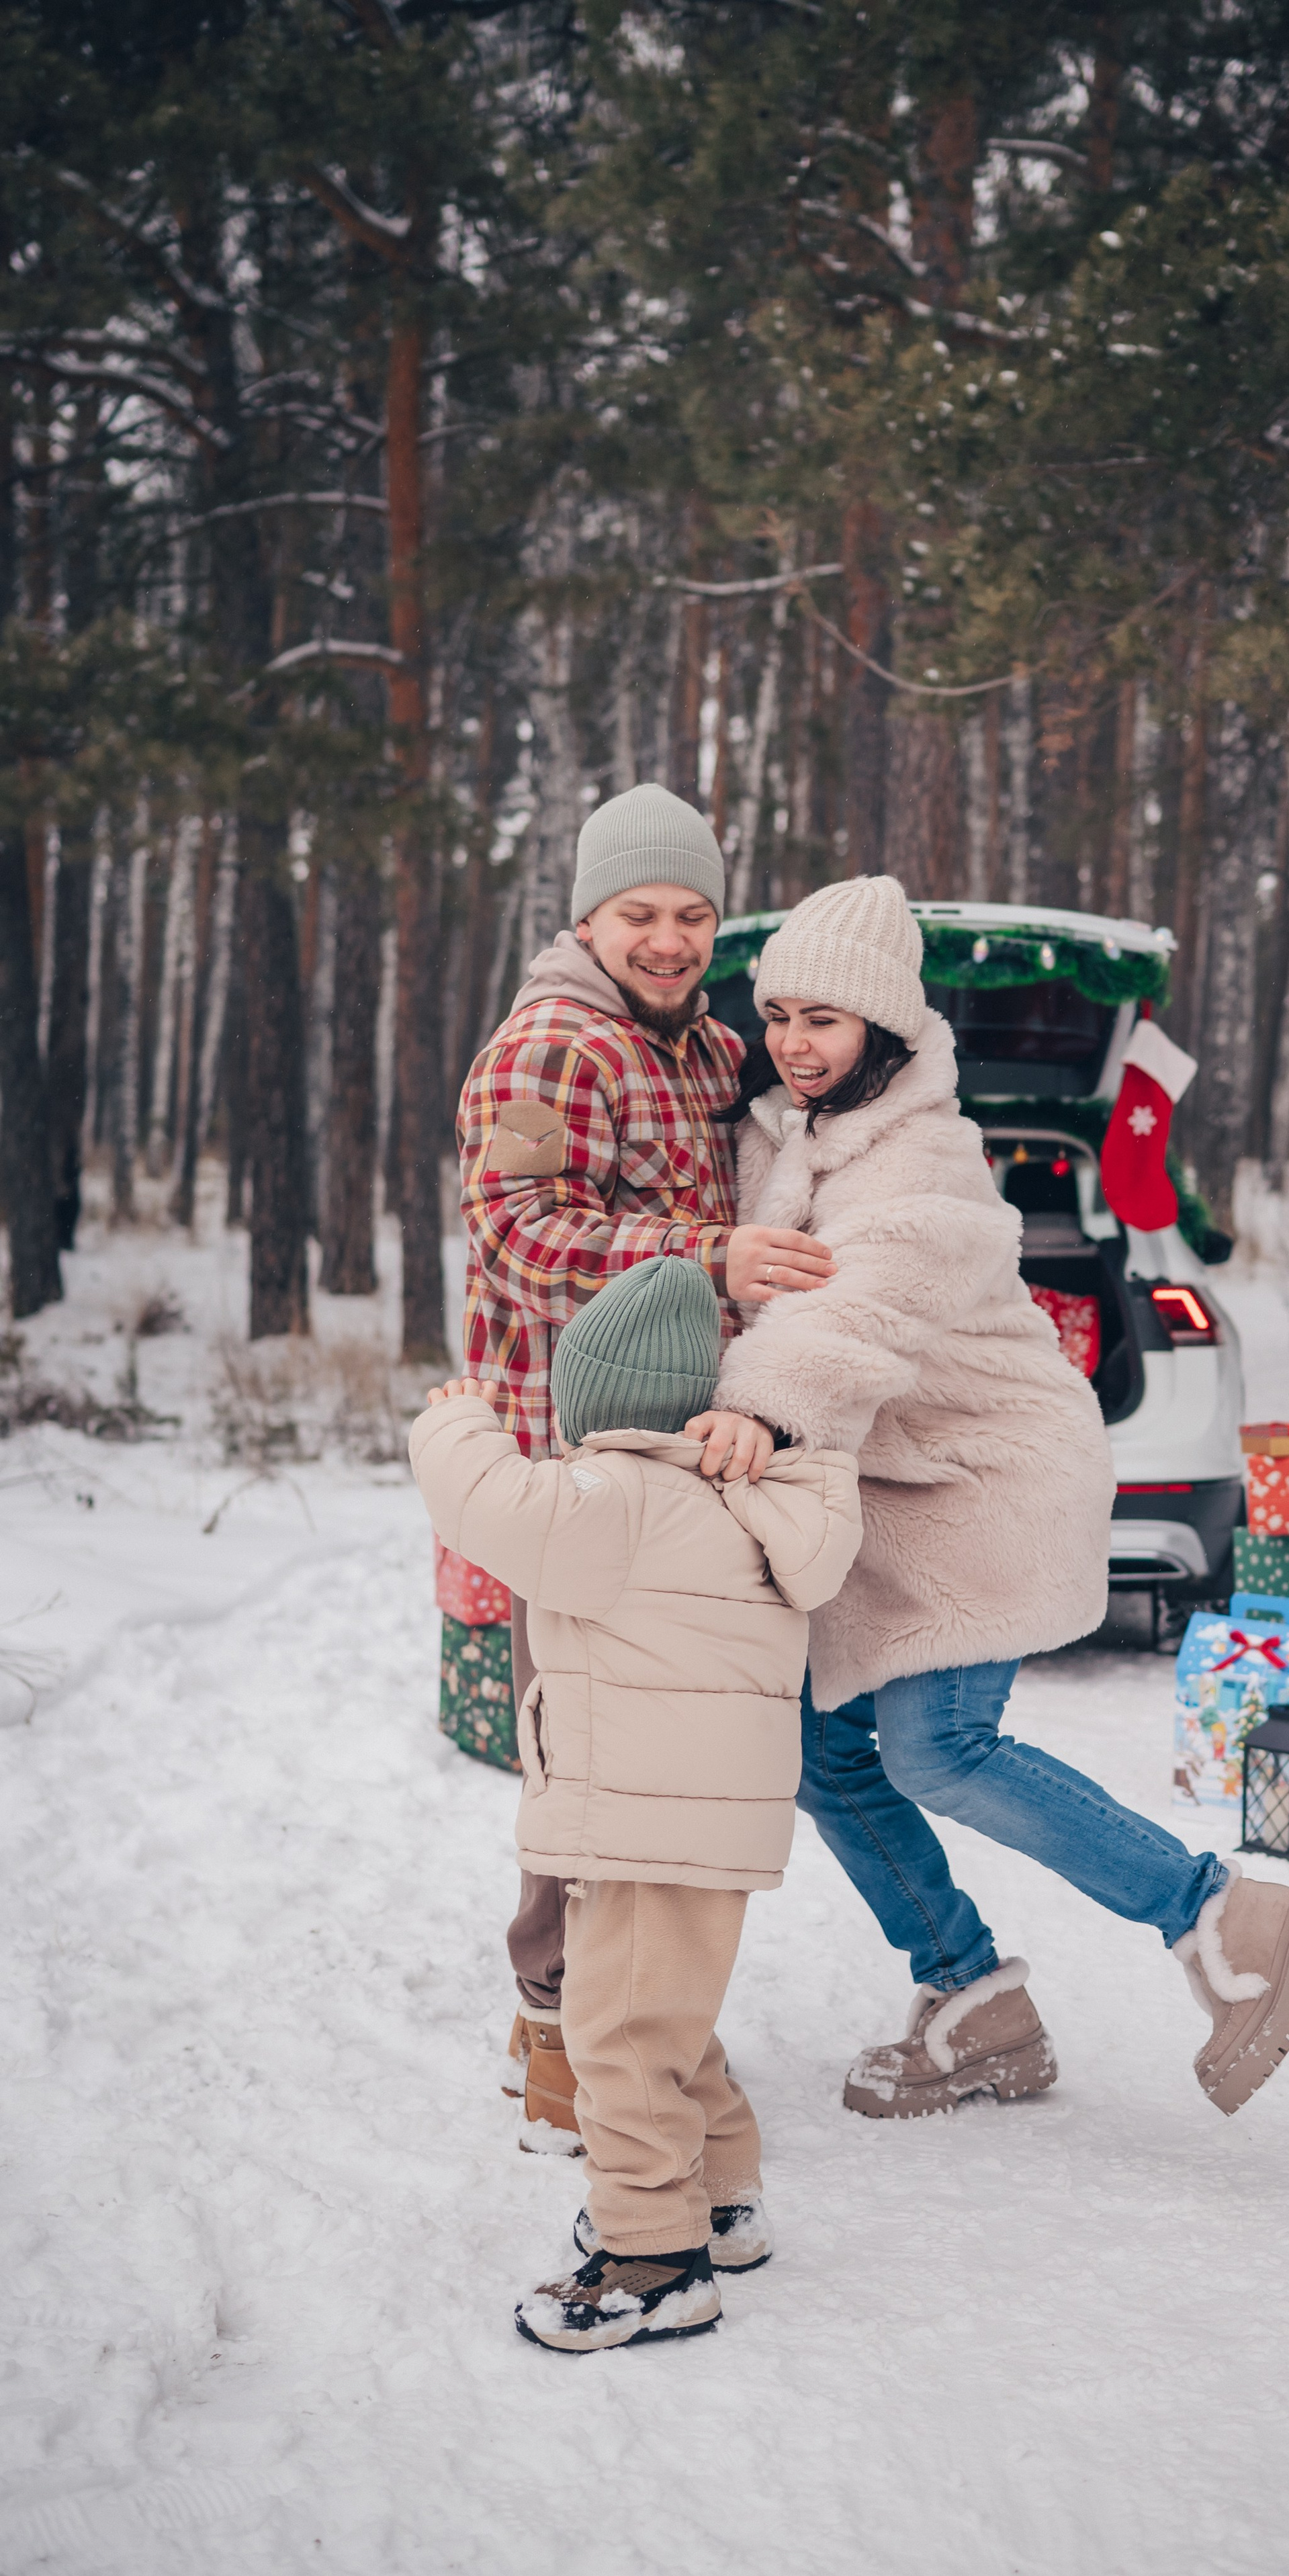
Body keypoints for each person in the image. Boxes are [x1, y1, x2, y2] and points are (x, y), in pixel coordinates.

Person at [696, 876, 1289, 2122]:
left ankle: (1225, 1920)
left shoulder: (926, 1164)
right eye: (778, 1011)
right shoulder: (788, 1135)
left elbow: (858, 1310)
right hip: (894, 1491)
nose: (793, 1039)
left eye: (823, 1017)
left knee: (936, 1750)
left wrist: (763, 1405)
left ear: (885, 1027)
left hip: (989, 1484)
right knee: (826, 1762)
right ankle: (971, 2001)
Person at [455, 782, 830, 2135]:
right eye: (638, 912)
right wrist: (702, 1254)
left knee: (641, 1749)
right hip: (568, 1462)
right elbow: (518, 1230)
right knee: (587, 1752)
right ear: (585, 916)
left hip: (665, 1451)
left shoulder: (698, 1041)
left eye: (690, 912)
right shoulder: (553, 1044)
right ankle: (557, 2020)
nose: (668, 937)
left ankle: (582, 2019)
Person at [411, 1256, 862, 2352]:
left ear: (595, 1402)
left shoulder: (615, 1499)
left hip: (643, 1822)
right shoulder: (745, 1500)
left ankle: (656, 2260)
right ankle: (723, 2203)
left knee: (616, 2038)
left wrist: (456, 1422)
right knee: (670, 2027)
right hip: (705, 1828)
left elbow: (482, 1501)